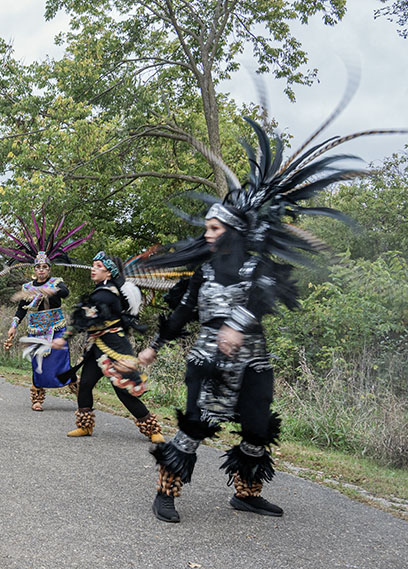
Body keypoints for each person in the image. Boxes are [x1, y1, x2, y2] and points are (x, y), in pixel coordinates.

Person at [138, 115, 386, 523]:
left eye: (215, 227)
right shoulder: (203, 272)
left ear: (234, 229)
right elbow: (182, 311)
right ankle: (167, 491)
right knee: (197, 424)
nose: (209, 233)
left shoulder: (257, 266)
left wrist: (236, 325)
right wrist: (154, 346)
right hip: (208, 359)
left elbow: (268, 296)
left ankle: (246, 493)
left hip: (253, 358)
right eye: (207, 228)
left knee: (256, 427)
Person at [52, 251, 163, 442]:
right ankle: (85, 426)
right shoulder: (102, 290)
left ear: (109, 273)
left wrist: (65, 337)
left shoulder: (107, 293)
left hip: (115, 348)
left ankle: (152, 429)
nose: (93, 269)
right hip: (97, 348)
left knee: (122, 390)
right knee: (85, 384)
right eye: (93, 266)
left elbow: (86, 317)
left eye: (99, 267)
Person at [0, 212, 91, 411]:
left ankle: (78, 391)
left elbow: (65, 293)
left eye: (45, 267)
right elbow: (21, 308)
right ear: (34, 269)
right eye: (38, 267)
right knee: (37, 364)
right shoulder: (27, 287)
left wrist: (51, 290)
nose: (41, 270)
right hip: (36, 329)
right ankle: (37, 398)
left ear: (49, 269)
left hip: (56, 327)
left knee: (61, 362)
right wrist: (13, 326)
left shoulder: (56, 283)